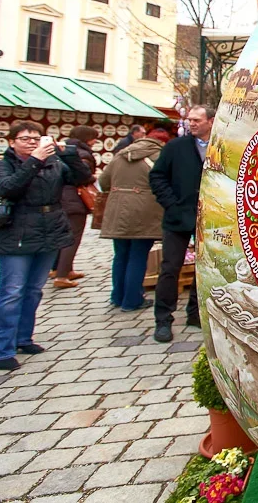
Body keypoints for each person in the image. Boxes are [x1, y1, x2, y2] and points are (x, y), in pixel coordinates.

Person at [0, 121, 91, 370]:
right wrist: (34, 160)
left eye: (36, 139)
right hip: (18, 232)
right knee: (11, 291)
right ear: (12, 142)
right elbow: (7, 189)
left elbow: (82, 178)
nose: (32, 143)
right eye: (25, 139)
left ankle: (23, 338)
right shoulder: (2, 164)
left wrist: (69, 153)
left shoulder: (54, 162)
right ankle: (1, 349)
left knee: (34, 289)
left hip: (50, 229)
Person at [149, 106, 213, 342]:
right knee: (170, 268)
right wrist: (172, 204)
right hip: (177, 218)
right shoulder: (176, 147)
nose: (192, 123)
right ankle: (163, 319)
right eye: (190, 119)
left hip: (207, 219)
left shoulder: (219, 147)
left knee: (202, 268)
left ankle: (195, 313)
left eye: (197, 119)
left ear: (211, 121)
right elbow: (156, 176)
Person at [99, 129, 166, 312]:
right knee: (138, 255)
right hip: (143, 211)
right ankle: (132, 299)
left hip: (117, 210)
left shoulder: (120, 155)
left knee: (120, 255)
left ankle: (117, 296)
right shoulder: (158, 156)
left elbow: (104, 182)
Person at [54, 125, 99, 288]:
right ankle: (62, 275)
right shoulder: (82, 154)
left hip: (58, 197)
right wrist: (93, 177)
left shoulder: (61, 149)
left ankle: (59, 268)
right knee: (73, 236)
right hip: (74, 199)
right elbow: (83, 176)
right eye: (94, 137)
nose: (95, 141)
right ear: (87, 138)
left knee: (61, 234)